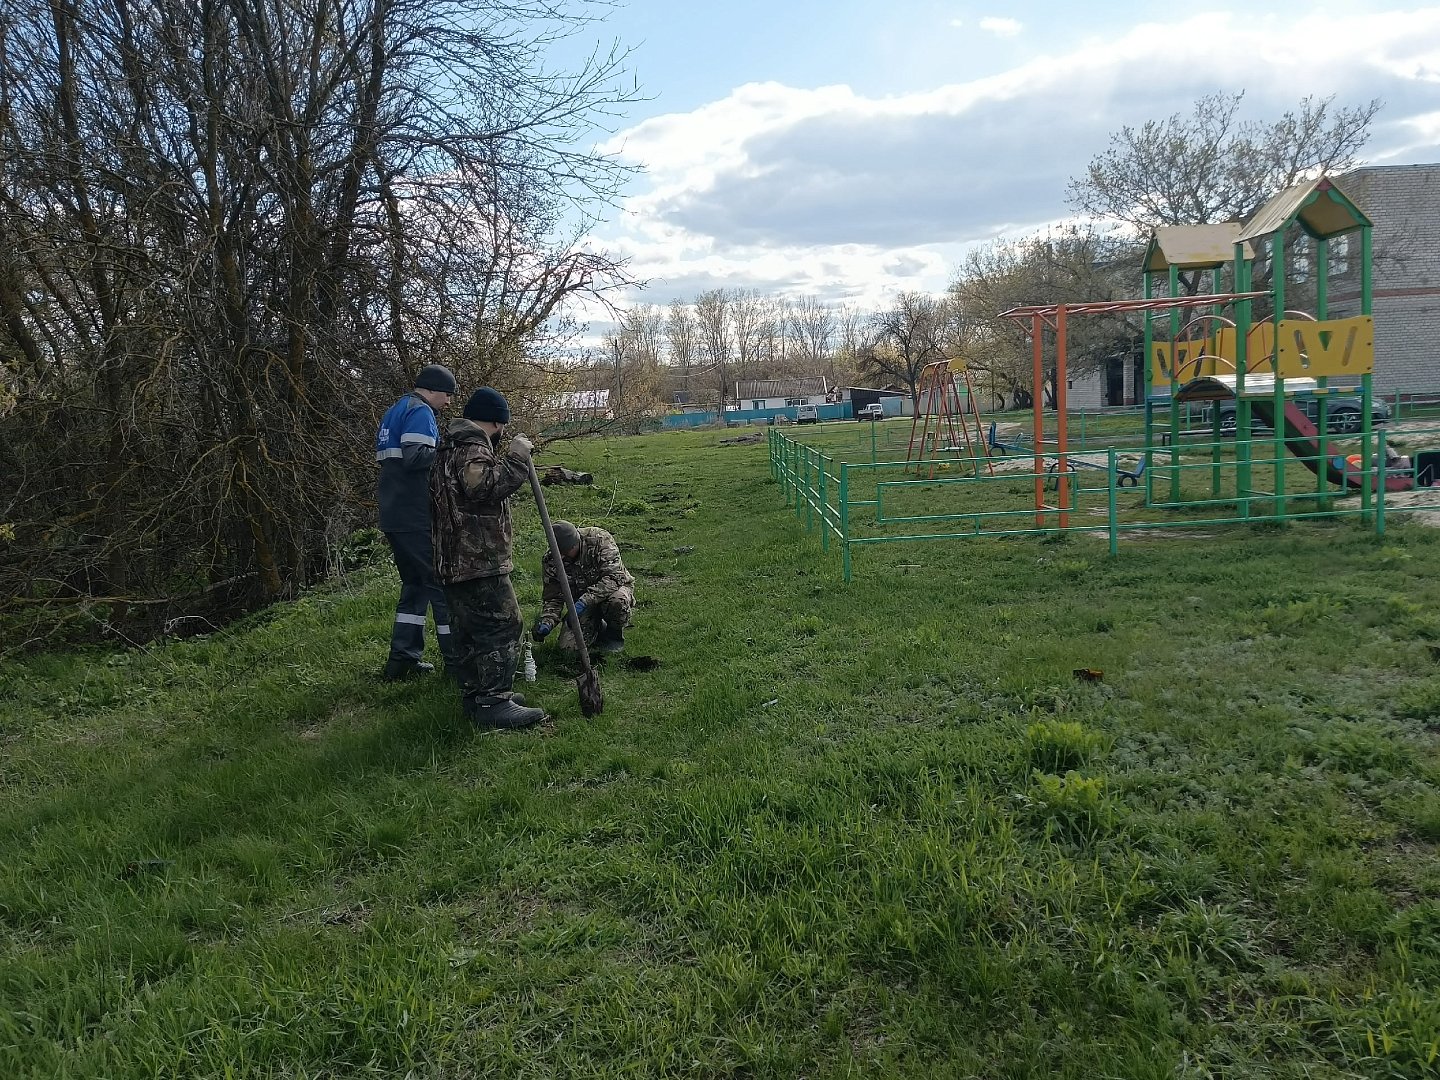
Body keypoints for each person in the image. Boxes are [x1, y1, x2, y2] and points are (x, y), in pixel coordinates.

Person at [430, 387, 547, 730]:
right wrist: (516, 459)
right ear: (496, 422)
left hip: (451, 557)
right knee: (503, 625)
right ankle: (495, 701)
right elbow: (482, 488)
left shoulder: (447, 447)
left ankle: (477, 696)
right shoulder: (473, 447)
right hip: (477, 558)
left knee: (468, 630)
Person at [375, 364, 461, 681]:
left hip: (393, 514)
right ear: (433, 390)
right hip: (415, 515)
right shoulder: (421, 411)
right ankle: (456, 664)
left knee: (414, 587)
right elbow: (415, 458)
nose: (448, 402)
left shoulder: (395, 410)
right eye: (447, 395)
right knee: (439, 585)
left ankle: (402, 661)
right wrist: (447, 448)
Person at [533, 521, 635, 656]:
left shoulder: (600, 539)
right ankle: (598, 628)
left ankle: (613, 636)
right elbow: (554, 597)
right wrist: (548, 621)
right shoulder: (551, 560)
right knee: (568, 649)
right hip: (582, 605)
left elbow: (614, 577)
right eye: (558, 552)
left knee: (617, 601)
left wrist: (585, 601)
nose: (561, 557)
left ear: (575, 543)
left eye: (565, 552)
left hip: (611, 592)